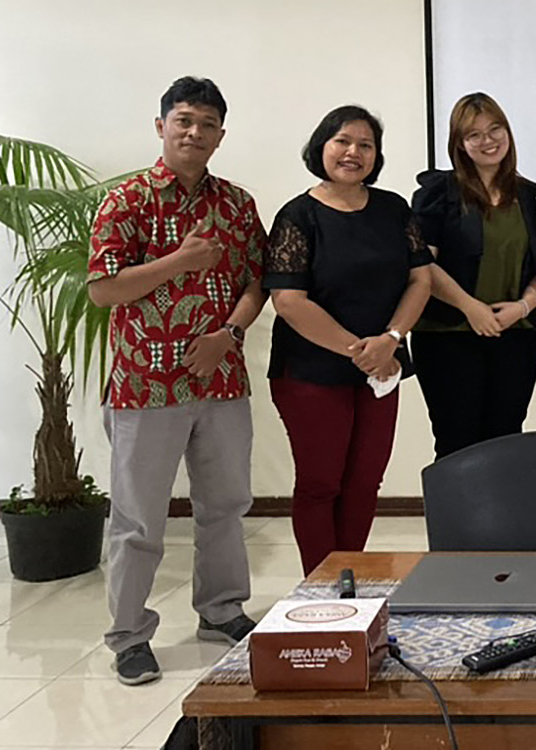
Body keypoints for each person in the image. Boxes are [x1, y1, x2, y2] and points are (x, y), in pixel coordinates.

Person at [87, 76, 266, 686]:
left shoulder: (237, 204)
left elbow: (254, 283)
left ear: (220, 136)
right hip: (145, 386)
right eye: (183, 120)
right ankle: (129, 635)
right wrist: (181, 261)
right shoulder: (127, 201)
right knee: (138, 518)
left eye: (207, 124)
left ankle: (221, 610)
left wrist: (229, 337)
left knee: (225, 506)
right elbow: (104, 289)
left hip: (220, 379)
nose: (194, 132)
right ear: (160, 125)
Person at [265, 105, 433, 576]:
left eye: (365, 144)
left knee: (363, 483)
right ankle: (319, 586)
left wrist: (391, 339)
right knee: (321, 484)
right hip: (313, 373)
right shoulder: (298, 216)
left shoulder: (393, 209)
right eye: (343, 141)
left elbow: (420, 281)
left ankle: (350, 577)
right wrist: (359, 350)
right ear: (321, 146)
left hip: (382, 369)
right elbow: (289, 300)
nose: (353, 152)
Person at [410, 93, 536, 458]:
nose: (488, 141)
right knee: (457, 443)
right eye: (475, 135)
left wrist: (523, 306)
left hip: (515, 336)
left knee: (505, 441)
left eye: (495, 129)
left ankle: (502, 518)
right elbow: (423, 264)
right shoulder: (437, 194)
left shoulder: (534, 197)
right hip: (447, 336)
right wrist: (470, 307)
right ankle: (456, 519)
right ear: (459, 143)